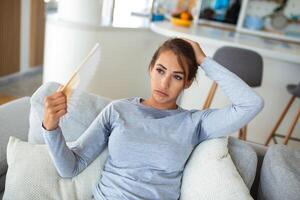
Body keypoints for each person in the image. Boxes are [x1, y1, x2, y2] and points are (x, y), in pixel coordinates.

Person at [42, 38, 264, 200]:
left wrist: (204, 61)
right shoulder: (118, 110)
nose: (164, 83)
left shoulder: (194, 123)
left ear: (187, 83)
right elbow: (70, 167)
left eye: (177, 76)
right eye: (160, 70)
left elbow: (251, 104)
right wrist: (51, 128)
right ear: (150, 69)